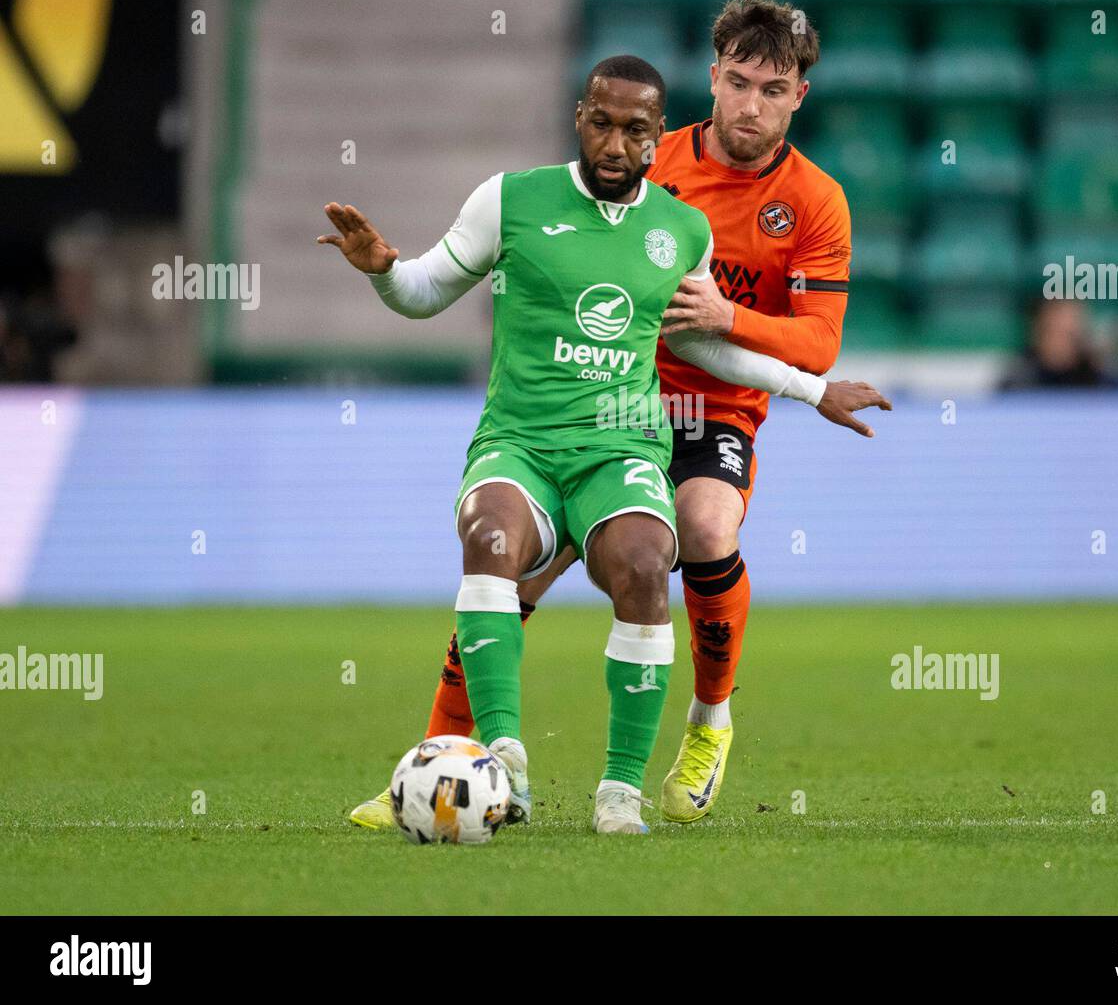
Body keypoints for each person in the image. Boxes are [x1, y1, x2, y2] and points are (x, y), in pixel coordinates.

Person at [322, 55, 889, 834]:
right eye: (601, 123)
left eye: (634, 130)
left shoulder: (687, 226)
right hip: (523, 438)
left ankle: (658, 760)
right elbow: (422, 291)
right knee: (496, 551)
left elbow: (703, 342)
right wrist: (385, 271)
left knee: (666, 555)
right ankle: (465, 763)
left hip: (628, 436)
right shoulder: (509, 198)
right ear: (579, 117)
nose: (615, 143)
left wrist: (814, 389)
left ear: (656, 139)